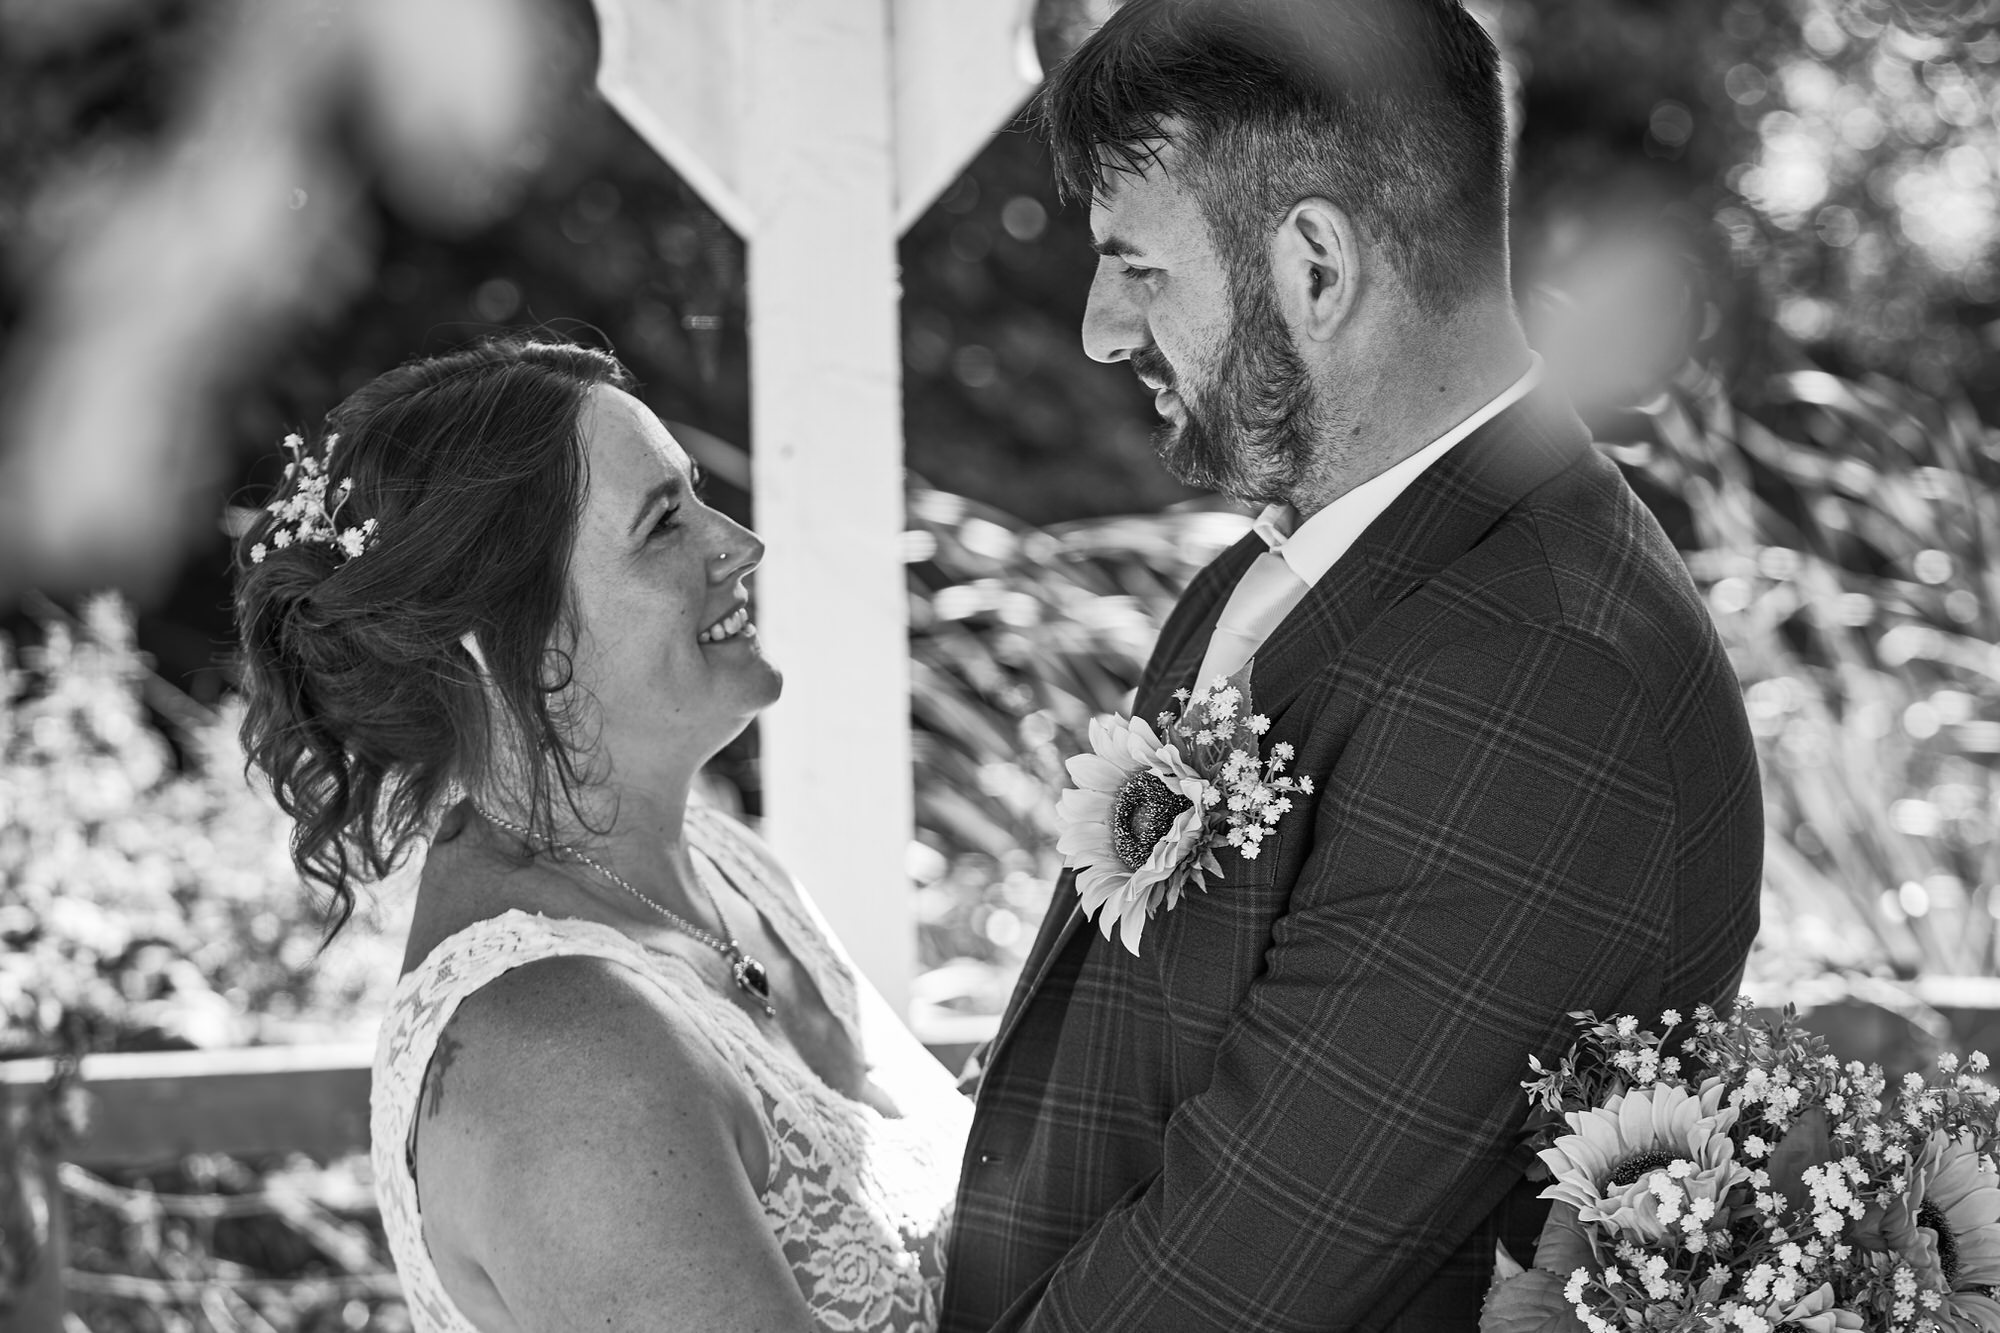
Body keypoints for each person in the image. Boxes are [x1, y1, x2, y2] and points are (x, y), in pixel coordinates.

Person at [941, 2, 1762, 1329]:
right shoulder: (1290, 569)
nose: (1098, 329)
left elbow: (1229, 1286)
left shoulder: (1540, 669)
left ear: (1315, 267)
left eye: (1137, 268)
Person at [233, 338, 970, 1332]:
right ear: (506, 646)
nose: (738, 542)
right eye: (664, 523)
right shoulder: (557, 1064)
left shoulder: (720, 864)